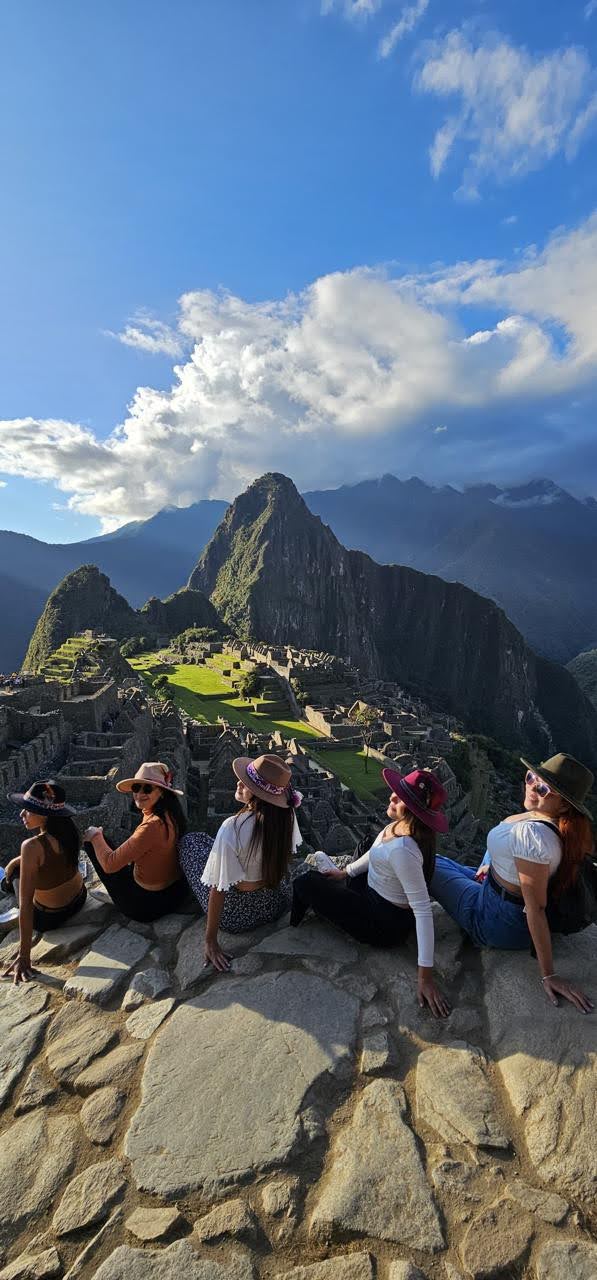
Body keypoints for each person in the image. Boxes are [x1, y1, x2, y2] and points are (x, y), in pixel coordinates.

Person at [430, 753, 595, 1015]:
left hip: (495, 919)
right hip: (494, 890)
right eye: (531, 778)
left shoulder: (532, 836)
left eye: (543, 789)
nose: (532, 787)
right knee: (439, 861)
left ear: (565, 805)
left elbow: (536, 908)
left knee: (426, 863)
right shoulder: (558, 825)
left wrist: (549, 974)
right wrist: (496, 863)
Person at [290, 767, 451, 1019]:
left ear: (413, 811)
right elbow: (374, 852)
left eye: (400, 798)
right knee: (366, 842)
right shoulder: (397, 828)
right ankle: (338, 888)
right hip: (374, 891)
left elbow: (422, 910)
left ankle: (295, 922)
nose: (392, 797)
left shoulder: (403, 850)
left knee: (305, 882)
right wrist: (345, 872)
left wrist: (425, 977)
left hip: (383, 922)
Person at [179, 754, 302, 971]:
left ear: (260, 794)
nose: (238, 783)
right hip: (275, 902)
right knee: (207, 842)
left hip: (237, 916)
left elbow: (218, 888)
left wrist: (210, 940)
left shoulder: (233, 827)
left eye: (246, 783)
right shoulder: (286, 818)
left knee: (190, 842)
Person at [1, 781, 86, 985]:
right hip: (79, 900)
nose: (22, 814)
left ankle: (5, 884)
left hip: (50, 919)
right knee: (19, 865)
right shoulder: (69, 831)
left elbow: (26, 905)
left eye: (28, 810)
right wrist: (17, 860)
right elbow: (51, 859)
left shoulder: (31, 846)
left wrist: (24, 956)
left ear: (45, 815)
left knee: (14, 875)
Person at [82, 762, 187, 923]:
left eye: (147, 789)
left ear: (162, 792)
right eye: (136, 788)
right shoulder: (172, 815)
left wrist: (95, 836)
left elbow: (109, 864)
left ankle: (117, 897)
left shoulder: (152, 826)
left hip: (145, 906)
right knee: (106, 843)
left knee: (93, 843)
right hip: (174, 895)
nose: (139, 794)